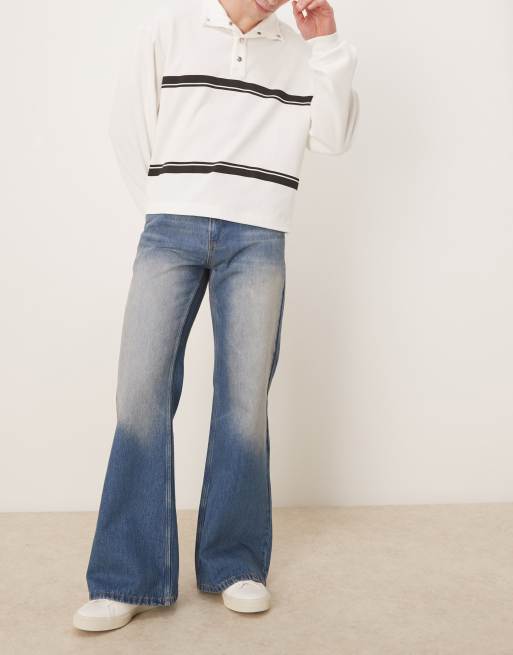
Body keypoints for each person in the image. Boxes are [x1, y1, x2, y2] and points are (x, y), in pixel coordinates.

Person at [73, 0, 359, 631]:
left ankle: (234, 564)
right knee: (140, 393)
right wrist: (167, 203)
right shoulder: (168, 30)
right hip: (170, 229)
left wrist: (327, 43)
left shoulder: (301, 52)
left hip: (258, 237)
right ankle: (127, 576)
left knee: (243, 402)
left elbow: (335, 137)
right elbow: (127, 129)